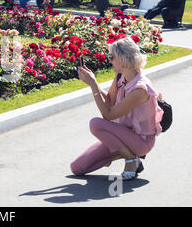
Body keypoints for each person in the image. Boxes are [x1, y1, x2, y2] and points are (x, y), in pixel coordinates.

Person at [70, 37, 164, 180]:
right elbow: (109, 101)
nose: (110, 60)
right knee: (77, 167)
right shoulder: (121, 76)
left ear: (122, 58)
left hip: (141, 141)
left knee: (95, 124)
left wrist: (93, 86)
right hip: (120, 135)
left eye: (112, 57)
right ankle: (128, 154)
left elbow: (108, 115)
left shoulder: (140, 89)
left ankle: (130, 158)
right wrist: (93, 82)